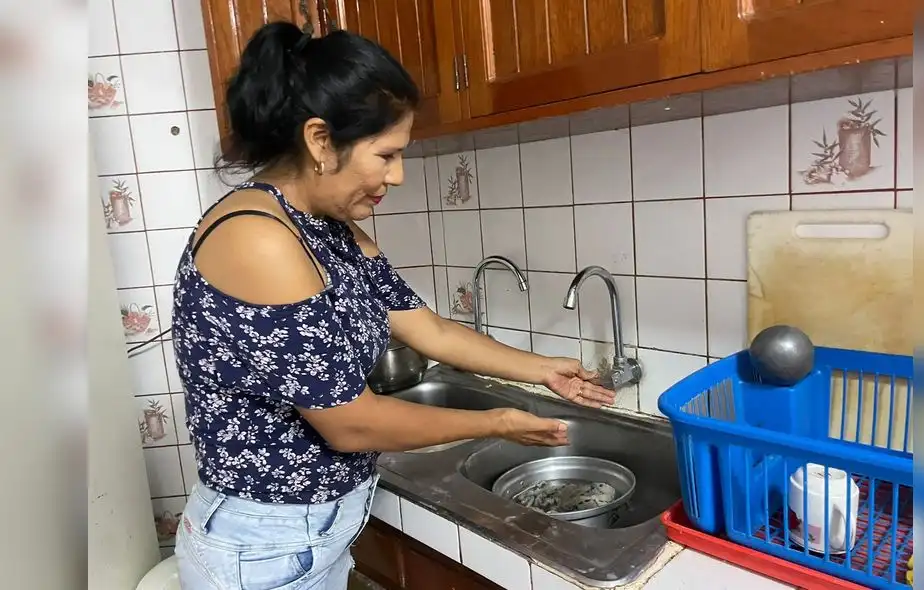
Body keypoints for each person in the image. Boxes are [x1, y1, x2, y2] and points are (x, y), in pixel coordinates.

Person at [171, 21, 615, 590]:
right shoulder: (258, 239)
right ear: (319, 141)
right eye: (386, 155)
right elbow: (352, 424)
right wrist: (498, 421)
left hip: (314, 533)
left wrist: (541, 369)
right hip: (264, 544)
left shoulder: (329, 228)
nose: (397, 176)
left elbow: (427, 329)